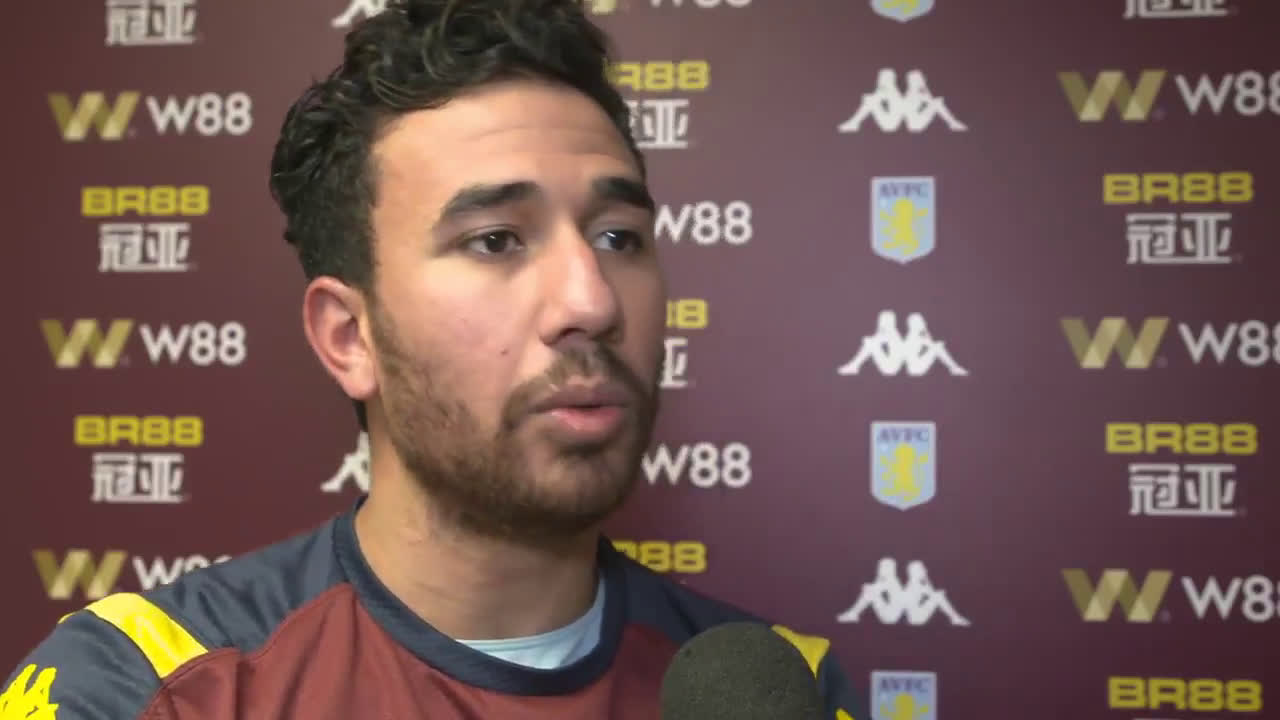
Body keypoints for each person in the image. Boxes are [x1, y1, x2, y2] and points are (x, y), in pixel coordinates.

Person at [2, 1, 865, 717]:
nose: (592, 301)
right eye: (496, 240)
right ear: (350, 337)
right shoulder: (146, 689)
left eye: (618, 237)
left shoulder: (788, 692)